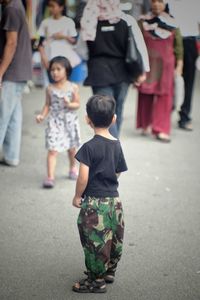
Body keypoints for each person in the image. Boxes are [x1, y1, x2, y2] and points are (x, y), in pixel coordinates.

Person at [72, 94, 128, 293]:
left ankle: (96, 281)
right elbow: (118, 170)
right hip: (115, 202)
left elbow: (82, 178)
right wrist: (109, 182)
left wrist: (78, 196)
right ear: (114, 119)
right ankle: (109, 270)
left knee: (94, 239)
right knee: (114, 235)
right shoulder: (117, 144)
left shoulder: (88, 148)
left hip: (95, 204)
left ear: (88, 119)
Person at [80, 0, 149, 138]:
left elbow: (82, 51)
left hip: (99, 73)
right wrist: (143, 70)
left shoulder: (89, 20)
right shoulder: (127, 20)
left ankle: (112, 149)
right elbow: (139, 46)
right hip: (123, 72)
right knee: (117, 111)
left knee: (105, 113)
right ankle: (114, 148)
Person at [136, 0, 183, 142]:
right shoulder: (142, 21)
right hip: (147, 63)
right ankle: (145, 124)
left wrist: (179, 65)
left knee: (165, 96)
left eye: (160, 1)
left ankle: (161, 129)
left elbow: (179, 46)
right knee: (145, 93)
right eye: (154, 1)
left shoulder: (173, 22)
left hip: (167, 64)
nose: (156, 4)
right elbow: (136, 44)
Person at [36, 56, 81, 188]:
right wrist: (41, 115)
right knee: (52, 150)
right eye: (52, 70)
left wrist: (70, 104)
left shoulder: (73, 87)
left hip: (69, 122)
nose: (54, 72)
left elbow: (77, 104)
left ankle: (73, 168)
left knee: (71, 149)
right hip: (54, 122)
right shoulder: (49, 88)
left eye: (58, 69)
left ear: (66, 70)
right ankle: (50, 177)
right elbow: (47, 105)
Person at [0, 0, 32, 166]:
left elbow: (11, 43)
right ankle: (11, 156)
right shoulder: (17, 4)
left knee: (2, 117)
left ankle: (11, 155)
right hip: (20, 71)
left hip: (12, 72)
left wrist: (0, 72)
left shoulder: (11, 8)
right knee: (13, 116)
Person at [168, 0, 200, 131]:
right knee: (167, 80)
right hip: (171, 40)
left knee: (188, 82)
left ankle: (185, 116)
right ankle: (164, 114)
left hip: (190, 41)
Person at [38, 0, 81, 86]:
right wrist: (44, 58)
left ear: (61, 7)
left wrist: (63, 37)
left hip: (67, 60)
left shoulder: (68, 22)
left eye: (53, 6)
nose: (51, 9)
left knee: (68, 86)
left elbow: (75, 41)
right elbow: (40, 43)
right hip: (51, 59)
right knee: (54, 86)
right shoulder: (45, 22)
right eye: (49, 6)